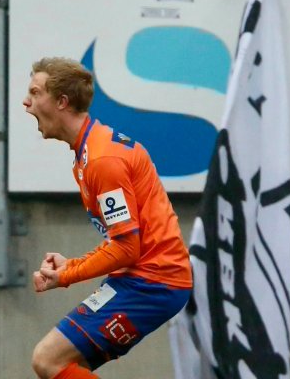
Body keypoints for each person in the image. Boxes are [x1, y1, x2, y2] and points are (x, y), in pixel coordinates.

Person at [23, 57, 192, 379]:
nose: (26, 102)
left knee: (48, 360)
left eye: (35, 92)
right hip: (144, 279)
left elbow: (128, 249)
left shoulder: (102, 160)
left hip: (153, 283)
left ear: (61, 102)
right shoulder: (90, 151)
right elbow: (124, 242)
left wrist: (67, 276)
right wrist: (71, 264)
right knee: (70, 367)